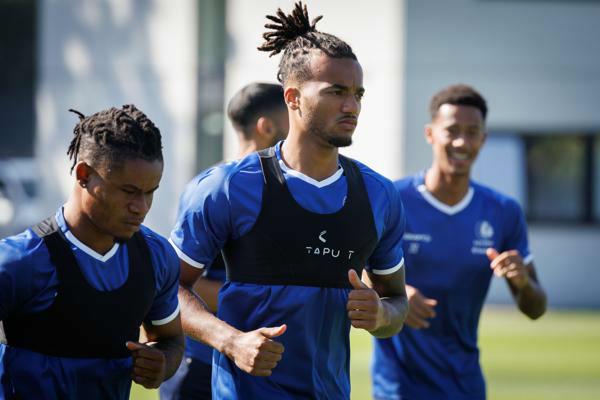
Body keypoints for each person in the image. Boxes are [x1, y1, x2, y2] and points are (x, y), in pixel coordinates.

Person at [171, 2, 409, 399]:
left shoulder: (379, 194)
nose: (352, 106)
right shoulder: (228, 187)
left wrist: (382, 313)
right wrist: (231, 341)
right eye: (336, 92)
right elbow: (167, 288)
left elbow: (396, 301)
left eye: (357, 94)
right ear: (293, 97)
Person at [371, 84, 547, 400]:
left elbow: (536, 308)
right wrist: (395, 293)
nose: (461, 142)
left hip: (465, 387)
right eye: (451, 130)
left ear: (483, 139)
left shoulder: (503, 211)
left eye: (472, 132)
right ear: (430, 134)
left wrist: (521, 282)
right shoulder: (392, 199)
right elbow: (353, 272)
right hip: (398, 388)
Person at [0, 105, 184, 399]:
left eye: (150, 192)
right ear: (84, 174)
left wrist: (162, 364)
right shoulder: (21, 261)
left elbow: (171, 339)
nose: (142, 207)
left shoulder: (157, 257)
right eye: (129, 191)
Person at [160, 82, 289, 400]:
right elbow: (171, 283)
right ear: (267, 127)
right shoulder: (216, 190)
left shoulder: (286, 192)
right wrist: (268, 299)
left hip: (260, 364)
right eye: (294, 124)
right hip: (201, 367)